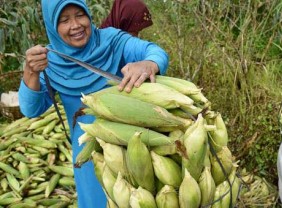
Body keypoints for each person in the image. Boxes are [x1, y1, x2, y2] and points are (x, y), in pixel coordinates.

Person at [19, 0, 169, 207]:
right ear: (52, 26)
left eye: (80, 15)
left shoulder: (112, 41)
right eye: (64, 20)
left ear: (88, 15)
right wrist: (30, 72)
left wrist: (148, 63)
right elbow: (31, 109)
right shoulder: (49, 61)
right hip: (90, 156)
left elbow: (155, 52)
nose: (75, 25)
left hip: (133, 147)